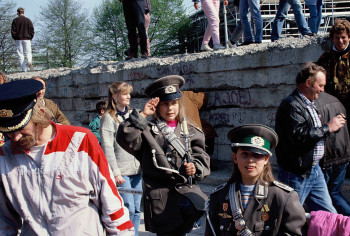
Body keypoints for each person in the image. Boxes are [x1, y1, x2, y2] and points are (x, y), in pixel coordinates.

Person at [0, 79, 134, 235]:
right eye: (8, 132)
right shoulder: (4, 156)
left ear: (41, 115)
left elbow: (111, 204)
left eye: (21, 129)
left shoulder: (80, 141)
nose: (14, 138)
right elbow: (4, 223)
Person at [117, 75, 210, 235]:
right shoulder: (146, 131)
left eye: (173, 103)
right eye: (165, 104)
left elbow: (202, 158)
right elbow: (124, 136)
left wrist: (194, 168)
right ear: (157, 106)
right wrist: (142, 116)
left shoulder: (192, 131)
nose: (170, 108)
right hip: (161, 199)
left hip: (185, 198)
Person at [205, 124, 306, 235]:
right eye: (245, 154)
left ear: (266, 159)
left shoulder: (283, 197)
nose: (250, 160)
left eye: (257, 155)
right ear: (235, 157)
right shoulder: (218, 197)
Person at [275, 62, 346, 213]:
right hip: (296, 173)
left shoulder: (309, 103)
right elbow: (299, 136)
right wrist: (328, 127)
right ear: (308, 83)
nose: (322, 89)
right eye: (320, 85)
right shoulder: (292, 105)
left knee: (329, 215)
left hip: (314, 170)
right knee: (289, 216)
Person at [100, 82, 142, 235]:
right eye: (125, 94)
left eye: (129, 93)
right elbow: (107, 147)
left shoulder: (134, 114)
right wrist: (115, 172)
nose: (129, 97)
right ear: (115, 96)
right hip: (121, 171)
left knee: (137, 209)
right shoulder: (109, 118)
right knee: (128, 207)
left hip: (137, 169)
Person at [314, 92, 350, 216]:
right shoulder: (335, 100)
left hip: (328, 156)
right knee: (335, 193)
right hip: (342, 153)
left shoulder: (313, 104)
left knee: (327, 195)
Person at [317, 19, 350, 127]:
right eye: (337, 37)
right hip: (332, 108)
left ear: (349, 37)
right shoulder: (325, 59)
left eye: (343, 37)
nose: (340, 41)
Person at [11, 7, 34, 72]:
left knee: (20, 54)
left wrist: (15, 38)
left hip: (18, 39)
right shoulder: (28, 20)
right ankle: (29, 61)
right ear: (23, 13)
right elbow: (32, 30)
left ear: (17, 13)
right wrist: (30, 37)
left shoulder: (15, 20)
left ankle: (24, 70)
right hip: (27, 38)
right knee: (28, 52)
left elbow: (13, 31)